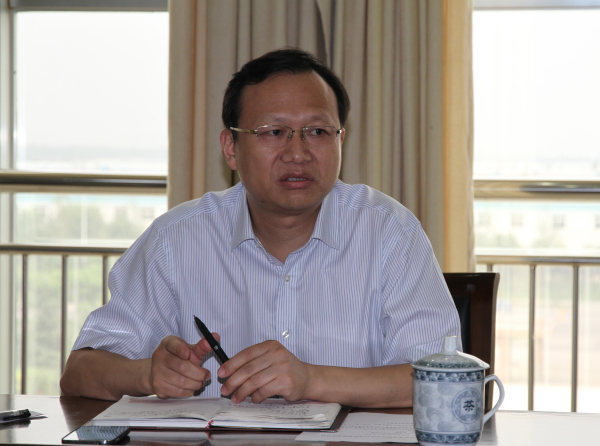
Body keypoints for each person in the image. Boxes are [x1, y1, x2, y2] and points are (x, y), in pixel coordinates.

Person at [60, 48, 460, 408]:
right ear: (231, 148)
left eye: (318, 132)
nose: (298, 153)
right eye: (274, 133)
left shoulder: (390, 232)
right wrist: (147, 374)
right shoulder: (175, 240)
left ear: (341, 140)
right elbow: (79, 372)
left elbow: (442, 379)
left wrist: (310, 380)